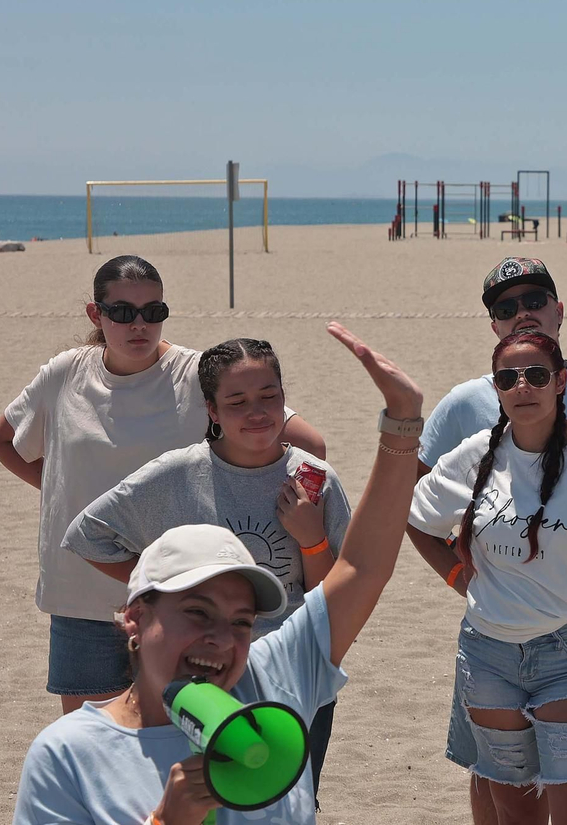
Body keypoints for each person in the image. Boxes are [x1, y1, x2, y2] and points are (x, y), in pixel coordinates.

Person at [13, 321, 424, 824]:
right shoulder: (70, 755)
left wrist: (402, 421)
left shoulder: (274, 683)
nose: (221, 639)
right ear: (134, 618)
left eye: (242, 620)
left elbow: (360, 567)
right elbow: (84, 531)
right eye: (196, 611)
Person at [0, 255, 325, 715]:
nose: (139, 324)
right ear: (96, 314)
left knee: (178, 748)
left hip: (177, 600)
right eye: (123, 312)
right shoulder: (65, 372)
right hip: (81, 591)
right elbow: (3, 439)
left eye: (154, 311)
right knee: (94, 749)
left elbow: (308, 443)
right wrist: (63, 492)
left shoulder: (193, 373)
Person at [405, 256, 567, 825]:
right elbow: (414, 504)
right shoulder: (468, 423)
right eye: (505, 307)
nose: (522, 386)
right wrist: (456, 572)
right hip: (488, 648)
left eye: (534, 301)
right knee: (501, 797)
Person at [61, 337, 353, 795]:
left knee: (288, 805)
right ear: (212, 411)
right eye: (236, 401)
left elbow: (335, 597)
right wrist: (161, 591)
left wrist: (313, 540)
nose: (256, 411)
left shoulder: (314, 478)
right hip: (197, 680)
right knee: (195, 803)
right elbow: (87, 534)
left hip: (293, 678)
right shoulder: (175, 475)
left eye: (269, 396)